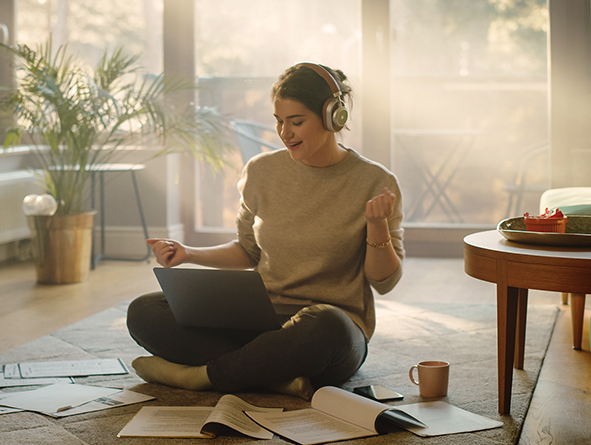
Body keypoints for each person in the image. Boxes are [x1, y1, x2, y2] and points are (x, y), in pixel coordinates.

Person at [126, 62, 404, 400]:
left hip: (328, 330)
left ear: (333, 117)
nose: (285, 133)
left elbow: (384, 281)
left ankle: (201, 376)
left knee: (325, 325)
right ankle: (272, 375)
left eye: (297, 122)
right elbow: (248, 251)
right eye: (279, 121)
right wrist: (188, 254)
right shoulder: (261, 171)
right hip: (261, 317)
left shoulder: (375, 181)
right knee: (145, 312)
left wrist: (377, 227)